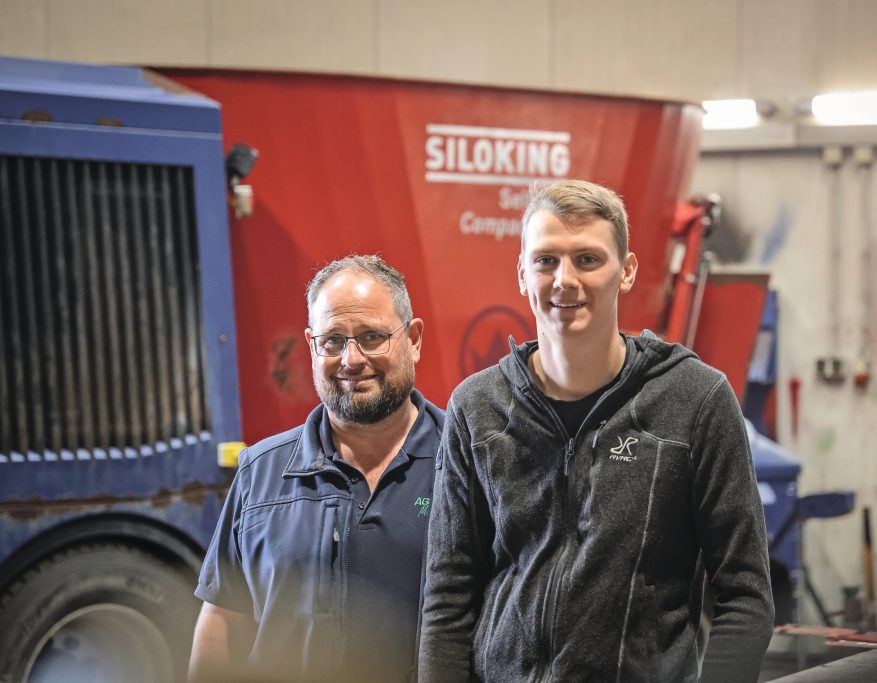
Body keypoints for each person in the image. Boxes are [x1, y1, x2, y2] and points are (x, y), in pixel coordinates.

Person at [418, 180, 773, 682]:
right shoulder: (477, 408)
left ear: (626, 271)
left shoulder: (695, 401)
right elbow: (448, 594)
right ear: (522, 274)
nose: (564, 280)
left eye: (588, 259)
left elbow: (746, 595)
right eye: (546, 261)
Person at [189, 255, 444, 683]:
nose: (351, 359)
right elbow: (221, 625)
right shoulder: (261, 473)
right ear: (311, 346)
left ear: (414, 339)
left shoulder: (467, 463)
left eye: (372, 337)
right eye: (332, 341)